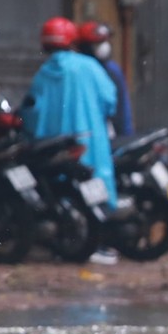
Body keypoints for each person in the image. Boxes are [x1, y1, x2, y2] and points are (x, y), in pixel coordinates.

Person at [28, 15, 120, 224]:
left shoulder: (43, 74)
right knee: (97, 181)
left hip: (54, 145)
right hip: (91, 141)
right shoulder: (89, 67)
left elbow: (30, 111)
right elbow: (110, 100)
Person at [75, 20, 135, 138]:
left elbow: (122, 110)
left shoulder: (112, 70)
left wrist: (126, 137)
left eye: (105, 41)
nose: (104, 46)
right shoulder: (77, 69)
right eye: (98, 43)